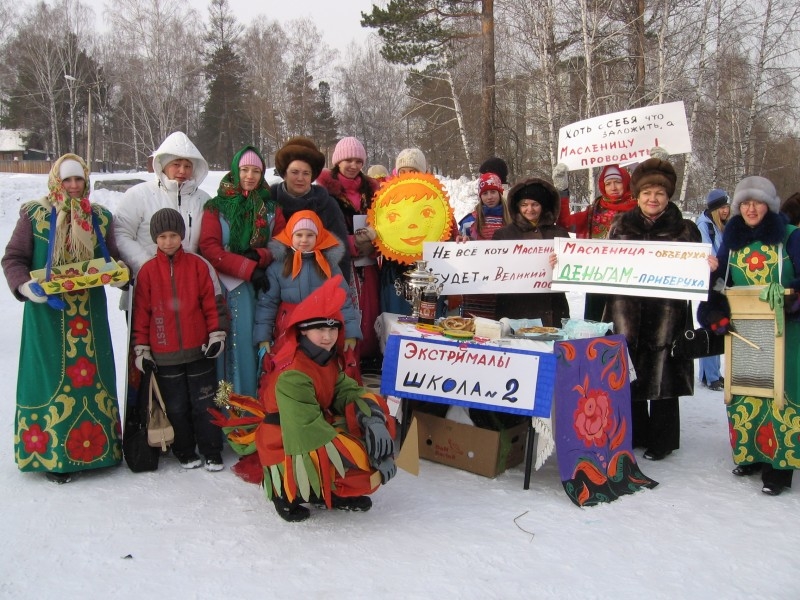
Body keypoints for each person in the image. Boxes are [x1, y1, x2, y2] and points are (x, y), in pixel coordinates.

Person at [2, 154, 127, 484]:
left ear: (86, 181)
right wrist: (25, 286)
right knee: (51, 378)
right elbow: (13, 257)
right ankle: (53, 455)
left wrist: (118, 274)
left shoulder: (99, 217)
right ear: (57, 181)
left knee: (93, 378)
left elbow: (112, 257)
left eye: (79, 180)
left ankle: (99, 451)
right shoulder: (35, 215)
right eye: (67, 180)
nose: (73, 186)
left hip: (89, 315)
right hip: (48, 315)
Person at [256, 275, 396, 521]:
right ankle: (289, 493)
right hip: (286, 439)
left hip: (313, 427)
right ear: (302, 331)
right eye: (319, 329)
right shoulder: (293, 373)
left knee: (362, 422)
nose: (328, 336)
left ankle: (329, 488)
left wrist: (372, 418)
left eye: (332, 328)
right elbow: (308, 430)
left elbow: (347, 390)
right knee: (358, 460)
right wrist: (365, 458)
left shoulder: (324, 358)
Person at [699, 176, 800, 496]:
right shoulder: (733, 240)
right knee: (747, 392)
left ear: (769, 205)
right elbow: (720, 282)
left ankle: (780, 467)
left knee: (780, 394)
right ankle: (752, 454)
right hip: (745, 330)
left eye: (757, 202)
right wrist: (714, 309)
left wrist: (790, 297)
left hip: (787, 331)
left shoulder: (790, 237)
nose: (750, 208)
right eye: (744, 203)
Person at [603, 158, 706, 461]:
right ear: (637, 195)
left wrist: (708, 266)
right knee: (629, 372)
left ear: (669, 195)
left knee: (665, 374)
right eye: (647, 192)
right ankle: (634, 432)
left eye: (659, 193)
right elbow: (598, 266)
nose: (653, 199)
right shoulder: (621, 225)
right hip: (626, 313)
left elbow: (699, 272)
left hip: (667, 315)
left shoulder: (685, 230)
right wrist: (568, 264)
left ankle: (662, 439)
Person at [131, 208, 229, 472]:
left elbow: (214, 303)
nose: (168, 241)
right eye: (162, 236)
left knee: (205, 403)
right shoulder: (147, 272)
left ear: (182, 235)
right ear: (155, 238)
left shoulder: (199, 266)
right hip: (165, 356)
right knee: (175, 407)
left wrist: (216, 334)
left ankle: (211, 450)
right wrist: (142, 350)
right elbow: (141, 314)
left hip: (200, 352)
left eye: (173, 235)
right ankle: (184, 450)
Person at [199, 146, 277, 397]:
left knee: (261, 344)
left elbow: (281, 243)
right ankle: (234, 406)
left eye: (256, 171)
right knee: (237, 345)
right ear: (235, 170)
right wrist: (247, 268)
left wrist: (260, 255)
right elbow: (209, 247)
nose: (250, 176)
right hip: (228, 287)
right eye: (244, 170)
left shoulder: (271, 207)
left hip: (263, 284)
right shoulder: (216, 207)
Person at [253, 210, 361, 359]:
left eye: (310, 235)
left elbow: (344, 301)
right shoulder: (278, 267)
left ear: (318, 237)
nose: (304, 240)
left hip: (321, 329)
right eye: (299, 235)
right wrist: (263, 337)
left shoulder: (329, 266)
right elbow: (267, 304)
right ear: (290, 236)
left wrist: (350, 332)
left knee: (319, 368)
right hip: (288, 329)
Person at [315, 137, 381, 363]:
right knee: (345, 307)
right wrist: (352, 243)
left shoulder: (372, 190)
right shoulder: (325, 191)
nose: (353, 166)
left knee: (370, 310)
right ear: (337, 161)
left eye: (358, 161)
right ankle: (346, 357)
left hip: (368, 264)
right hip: (341, 262)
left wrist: (376, 242)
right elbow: (322, 229)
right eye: (348, 160)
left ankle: (368, 356)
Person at [114, 131, 210, 282]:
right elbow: (121, 233)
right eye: (176, 164)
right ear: (163, 166)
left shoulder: (203, 200)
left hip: (189, 283)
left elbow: (209, 242)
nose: (182, 171)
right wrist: (148, 265)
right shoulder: (139, 195)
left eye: (187, 166)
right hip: (147, 283)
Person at [553, 163, 637, 321]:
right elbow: (565, 222)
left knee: (625, 325)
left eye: (617, 182)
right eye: (608, 183)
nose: (613, 187)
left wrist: (657, 169)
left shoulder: (639, 209)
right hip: (598, 277)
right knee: (595, 325)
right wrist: (562, 191)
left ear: (626, 182)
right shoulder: (594, 210)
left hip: (628, 278)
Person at [491, 177, 570, 326]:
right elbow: (488, 267)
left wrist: (561, 264)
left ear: (543, 205)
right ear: (517, 206)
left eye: (535, 204)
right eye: (524, 205)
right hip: (514, 310)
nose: (530, 209)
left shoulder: (559, 234)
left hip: (553, 311)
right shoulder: (503, 235)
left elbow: (572, 274)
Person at [270, 137, 351, 282]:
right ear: (284, 173)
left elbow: (340, 250)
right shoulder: (270, 202)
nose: (300, 178)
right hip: (277, 285)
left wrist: (338, 289)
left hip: (318, 284)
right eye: (294, 172)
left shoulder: (326, 204)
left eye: (306, 173)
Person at [378, 148, 429, 315]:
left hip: (425, 271)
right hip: (395, 271)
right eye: (403, 172)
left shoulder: (435, 201)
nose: (407, 176)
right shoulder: (387, 199)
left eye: (413, 171)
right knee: (395, 317)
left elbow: (448, 233)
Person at [456, 171, 511, 318]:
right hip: (476, 286)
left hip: (502, 283)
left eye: (493, 192)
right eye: (485, 193)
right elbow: (460, 251)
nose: (489, 197)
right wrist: (462, 242)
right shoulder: (469, 221)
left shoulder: (512, 220)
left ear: (500, 192)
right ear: (480, 196)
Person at [695, 188, 730, 391]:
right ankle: (710, 375)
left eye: (727, 206)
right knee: (711, 325)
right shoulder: (705, 226)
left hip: (721, 281)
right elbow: (708, 255)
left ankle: (713, 373)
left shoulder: (720, 226)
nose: (726, 211)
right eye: (722, 207)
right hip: (711, 281)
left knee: (719, 324)